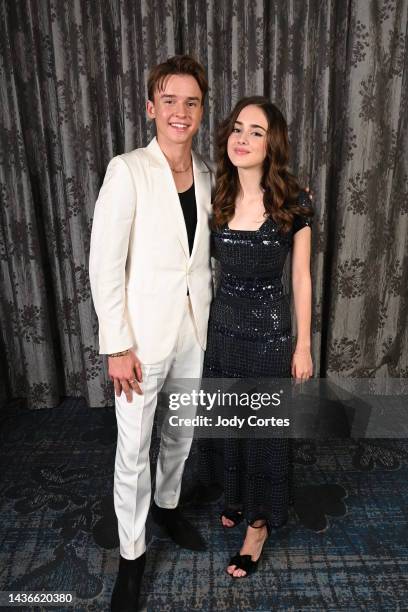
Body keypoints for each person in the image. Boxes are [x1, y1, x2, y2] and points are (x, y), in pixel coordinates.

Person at [89, 55, 214, 611]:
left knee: (181, 435)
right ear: (151, 108)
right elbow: (103, 263)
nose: (179, 112)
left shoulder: (210, 174)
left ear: (201, 112)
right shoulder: (127, 170)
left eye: (190, 102)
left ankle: (166, 506)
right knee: (133, 447)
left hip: (194, 330)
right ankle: (132, 556)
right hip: (139, 340)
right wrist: (117, 344)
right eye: (170, 101)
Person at [198, 96, 313, 578]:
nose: (243, 139)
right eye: (237, 129)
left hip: (267, 336)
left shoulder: (294, 200)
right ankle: (237, 497)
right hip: (222, 331)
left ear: (272, 144)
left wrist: (303, 344)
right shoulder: (215, 195)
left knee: (263, 433)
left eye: (257, 132)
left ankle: (258, 526)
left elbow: (302, 278)